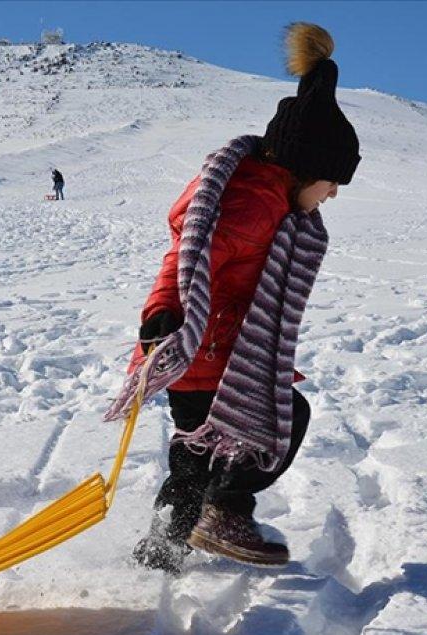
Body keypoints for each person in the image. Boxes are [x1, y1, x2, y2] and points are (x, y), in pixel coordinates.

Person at [103, 23, 360, 572]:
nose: (334, 193)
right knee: (280, 419)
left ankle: (164, 547)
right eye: (333, 181)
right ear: (303, 167)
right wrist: (163, 317)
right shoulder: (252, 206)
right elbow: (186, 260)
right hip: (204, 348)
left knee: (196, 454)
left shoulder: (266, 198)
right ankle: (222, 511)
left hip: (209, 350)